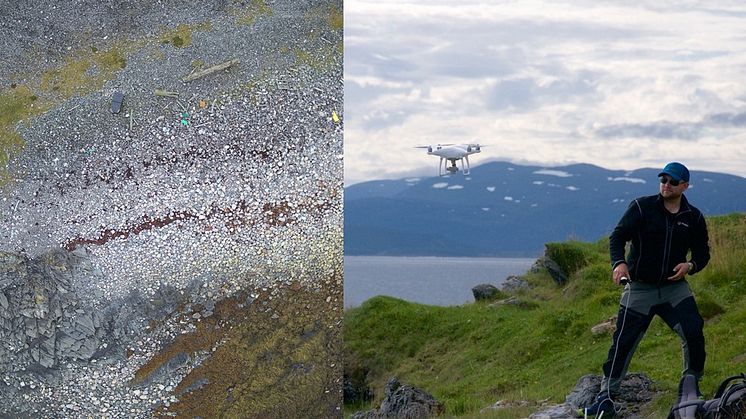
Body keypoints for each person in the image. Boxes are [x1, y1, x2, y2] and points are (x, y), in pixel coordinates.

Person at [581, 162, 711, 418]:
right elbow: (617, 236)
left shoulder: (693, 217)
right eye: (663, 180)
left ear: (684, 186)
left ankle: (690, 387)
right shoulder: (642, 207)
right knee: (623, 341)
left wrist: (690, 265)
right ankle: (606, 395)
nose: (666, 185)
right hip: (640, 287)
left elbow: (703, 253)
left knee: (694, 330)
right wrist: (618, 263)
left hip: (675, 288)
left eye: (673, 182)